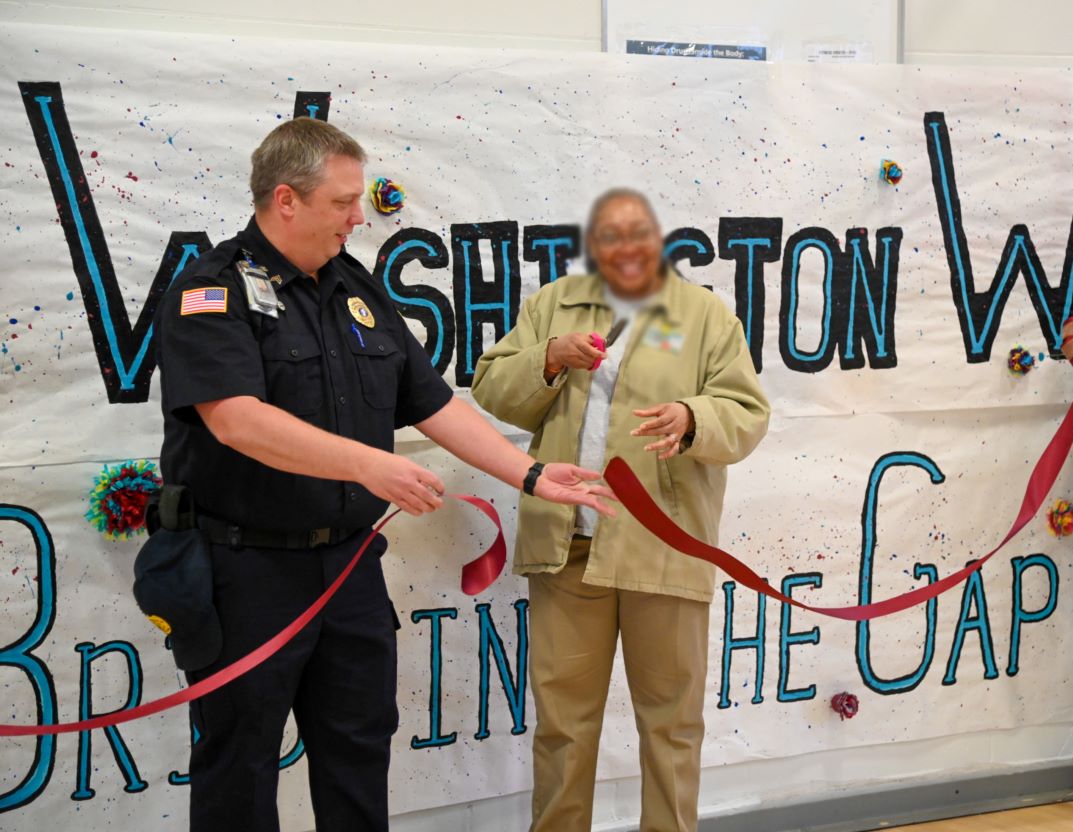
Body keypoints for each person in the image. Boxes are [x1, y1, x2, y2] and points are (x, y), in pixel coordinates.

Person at [154, 117, 612, 832]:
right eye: (341, 202)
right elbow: (236, 420)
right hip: (243, 571)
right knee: (237, 765)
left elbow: (430, 401)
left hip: (345, 571)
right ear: (285, 200)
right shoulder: (210, 292)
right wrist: (372, 464)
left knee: (359, 751)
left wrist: (534, 474)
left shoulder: (355, 287)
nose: (357, 216)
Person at [471, 187, 770, 831]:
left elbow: (747, 414)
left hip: (663, 549)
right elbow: (491, 384)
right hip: (566, 549)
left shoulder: (703, 316)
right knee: (561, 726)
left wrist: (694, 416)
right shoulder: (555, 303)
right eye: (609, 239)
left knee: (672, 726)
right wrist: (547, 359)